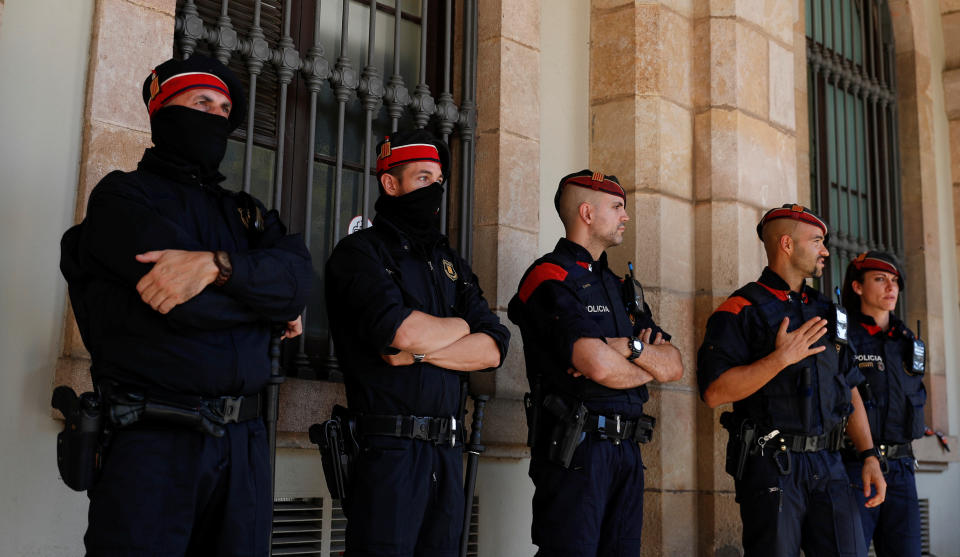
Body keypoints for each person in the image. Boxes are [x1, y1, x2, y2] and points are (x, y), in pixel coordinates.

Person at [59, 54, 312, 556]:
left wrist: (218, 268)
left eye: (222, 110)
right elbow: (188, 310)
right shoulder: (122, 198)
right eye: (202, 103)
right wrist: (268, 308)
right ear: (163, 112)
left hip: (243, 450)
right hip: (153, 448)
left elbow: (300, 283)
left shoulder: (248, 217)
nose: (215, 117)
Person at [324, 128, 510, 557]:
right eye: (423, 178)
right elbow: (399, 333)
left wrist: (427, 346)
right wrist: (463, 328)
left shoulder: (451, 264)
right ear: (391, 183)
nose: (435, 189)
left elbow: (494, 348)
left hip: (447, 452)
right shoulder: (359, 253)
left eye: (439, 180)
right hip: (388, 452)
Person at [507, 170, 683, 556]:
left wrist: (628, 348)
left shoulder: (622, 288)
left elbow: (673, 366)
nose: (626, 216)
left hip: (627, 452)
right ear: (587, 212)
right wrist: (640, 366)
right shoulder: (549, 276)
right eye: (618, 207)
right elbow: (597, 365)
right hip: (577, 450)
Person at [696, 204, 886, 557]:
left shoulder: (829, 311)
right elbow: (714, 392)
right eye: (817, 241)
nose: (826, 250)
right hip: (772, 466)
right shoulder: (740, 309)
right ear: (787, 244)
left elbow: (851, 387)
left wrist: (869, 455)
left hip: (829, 465)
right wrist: (780, 358)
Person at [840, 251, 925, 557]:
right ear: (857, 287)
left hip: (902, 468)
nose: (891, 287)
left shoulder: (908, 341)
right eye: (880, 279)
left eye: (894, 281)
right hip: (854, 466)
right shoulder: (844, 337)